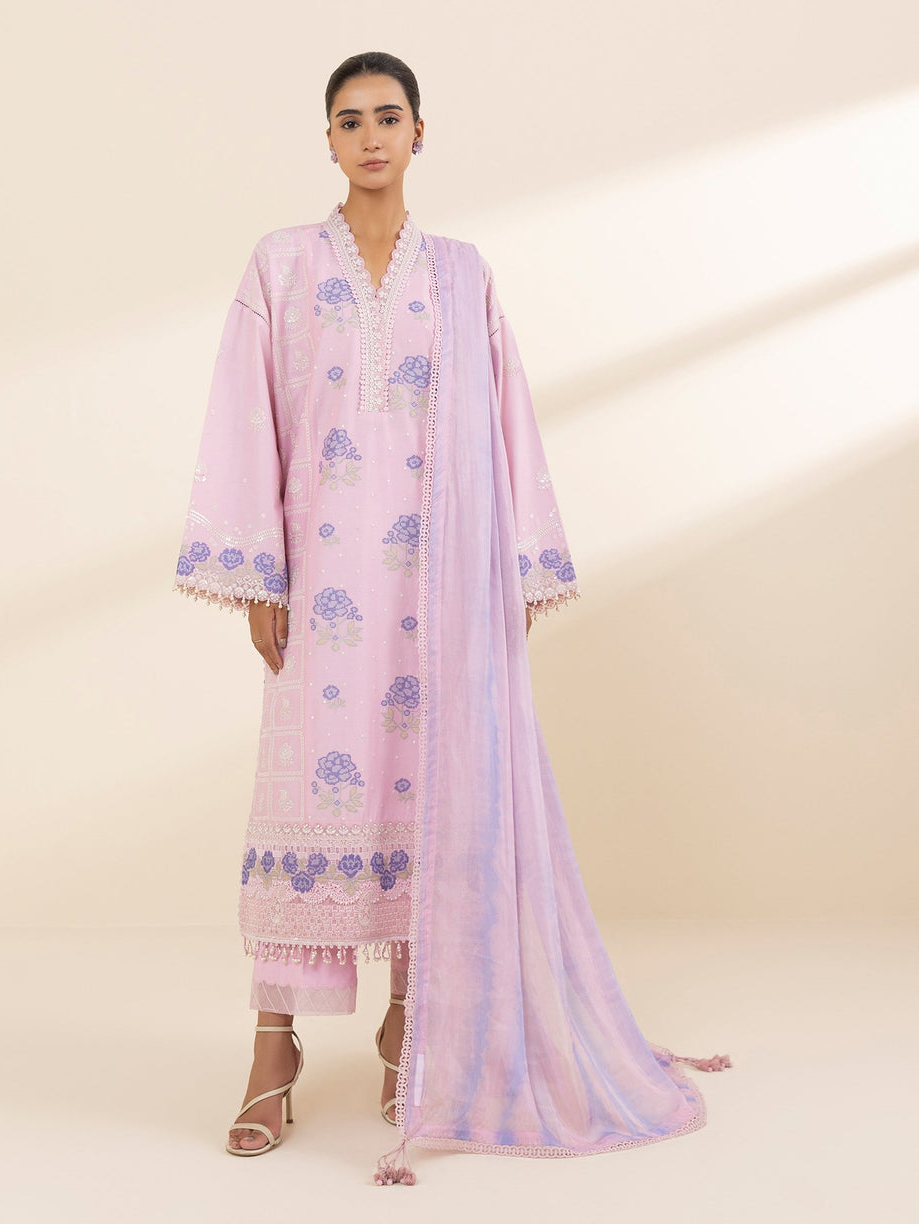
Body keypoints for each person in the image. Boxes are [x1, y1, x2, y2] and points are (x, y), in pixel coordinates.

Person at [174, 50, 730, 1183]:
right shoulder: (282, 264)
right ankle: (273, 1045)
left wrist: (515, 573)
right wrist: (261, 576)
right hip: (325, 582)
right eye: (349, 121)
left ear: (420, 133)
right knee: (311, 797)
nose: (370, 136)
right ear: (328, 142)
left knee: (430, 800)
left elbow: (507, 421)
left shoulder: (463, 274)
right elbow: (247, 414)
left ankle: (412, 1034)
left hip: (441, 590)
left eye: (389, 117)